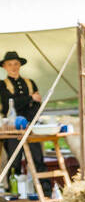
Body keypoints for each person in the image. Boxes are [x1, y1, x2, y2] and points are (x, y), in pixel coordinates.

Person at [1, 50, 49, 191]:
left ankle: (44, 193)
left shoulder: (30, 82)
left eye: (16, 64)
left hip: (29, 126)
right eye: (10, 64)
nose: (13, 67)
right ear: (4, 67)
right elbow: (9, 104)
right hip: (12, 129)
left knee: (37, 160)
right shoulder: (2, 85)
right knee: (14, 162)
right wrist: (29, 98)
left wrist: (28, 118)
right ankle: (14, 197)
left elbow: (37, 105)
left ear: (20, 65)